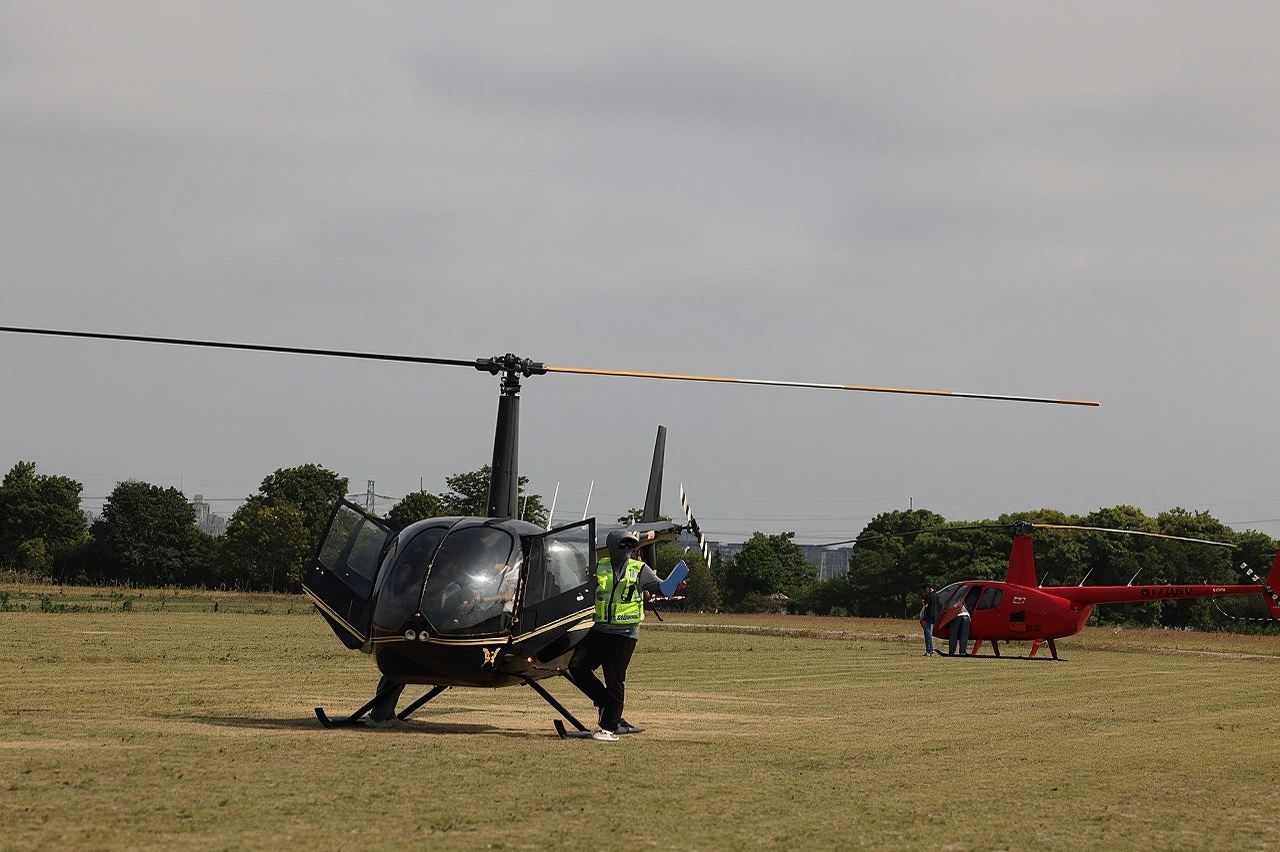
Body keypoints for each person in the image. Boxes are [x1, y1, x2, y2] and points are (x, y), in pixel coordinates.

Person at [566, 529, 664, 742]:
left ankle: (609, 727)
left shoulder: (640, 569)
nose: (628, 549)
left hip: (625, 635)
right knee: (576, 668)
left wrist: (671, 586)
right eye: (624, 544)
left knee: (615, 680)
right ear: (611, 547)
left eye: (631, 545)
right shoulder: (599, 567)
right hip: (599, 630)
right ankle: (606, 704)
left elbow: (659, 587)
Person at [918, 584, 940, 656]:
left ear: (927, 589)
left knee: (927, 633)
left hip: (929, 616)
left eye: (925, 591)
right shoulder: (936, 595)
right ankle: (929, 650)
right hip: (935, 616)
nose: (925, 593)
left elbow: (926, 605)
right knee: (928, 632)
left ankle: (930, 650)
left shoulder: (930, 596)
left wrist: (924, 603)